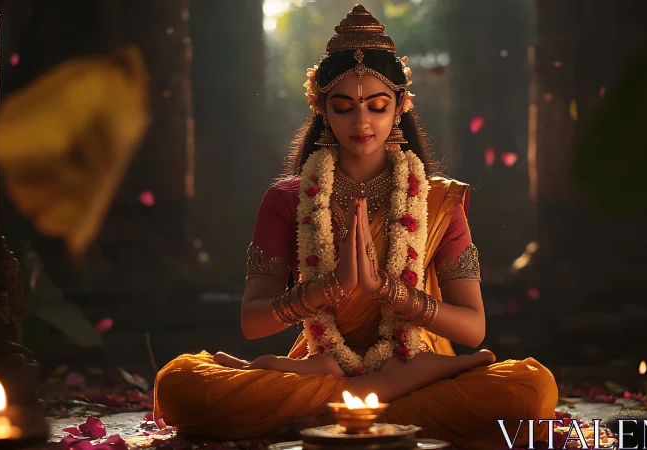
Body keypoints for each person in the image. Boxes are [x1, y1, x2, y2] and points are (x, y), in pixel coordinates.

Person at [154, 5, 558, 449]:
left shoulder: (438, 199)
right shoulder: (287, 199)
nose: (362, 122)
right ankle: (379, 399)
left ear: (401, 106)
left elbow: (472, 329)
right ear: (322, 109)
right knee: (181, 384)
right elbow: (253, 322)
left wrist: (388, 290)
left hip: (412, 361)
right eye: (344, 107)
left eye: (378, 106)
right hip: (324, 362)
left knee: (527, 389)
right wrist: (329, 288)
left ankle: (334, 411)